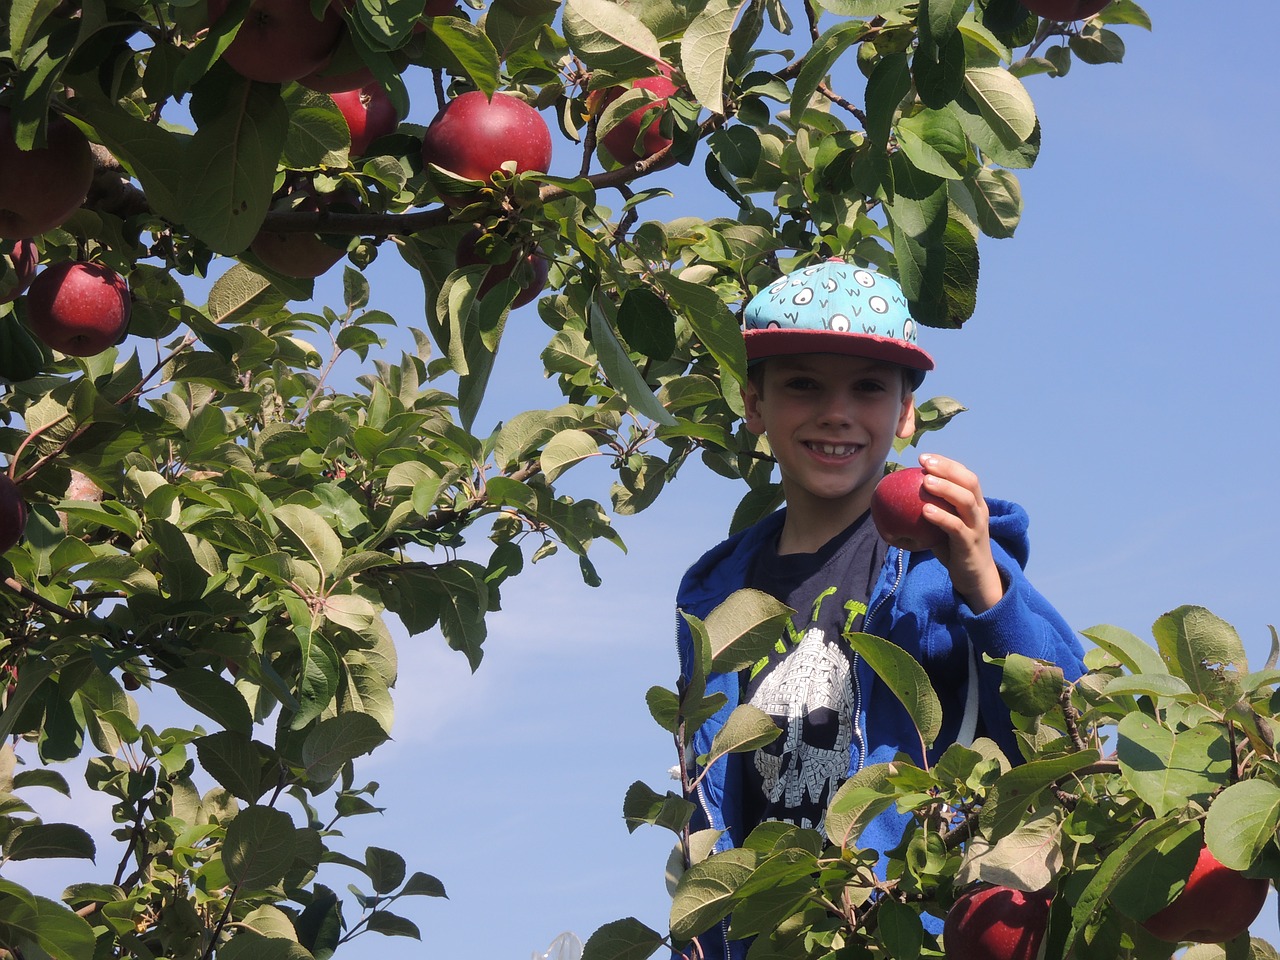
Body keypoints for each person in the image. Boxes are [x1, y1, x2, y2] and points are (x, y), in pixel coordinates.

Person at [673, 258, 1086, 960]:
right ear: (753, 404)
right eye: (803, 383)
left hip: (908, 926)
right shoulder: (719, 591)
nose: (836, 411)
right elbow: (710, 797)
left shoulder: (944, 555)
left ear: (904, 415)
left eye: (867, 389)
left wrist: (981, 576)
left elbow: (1064, 724)